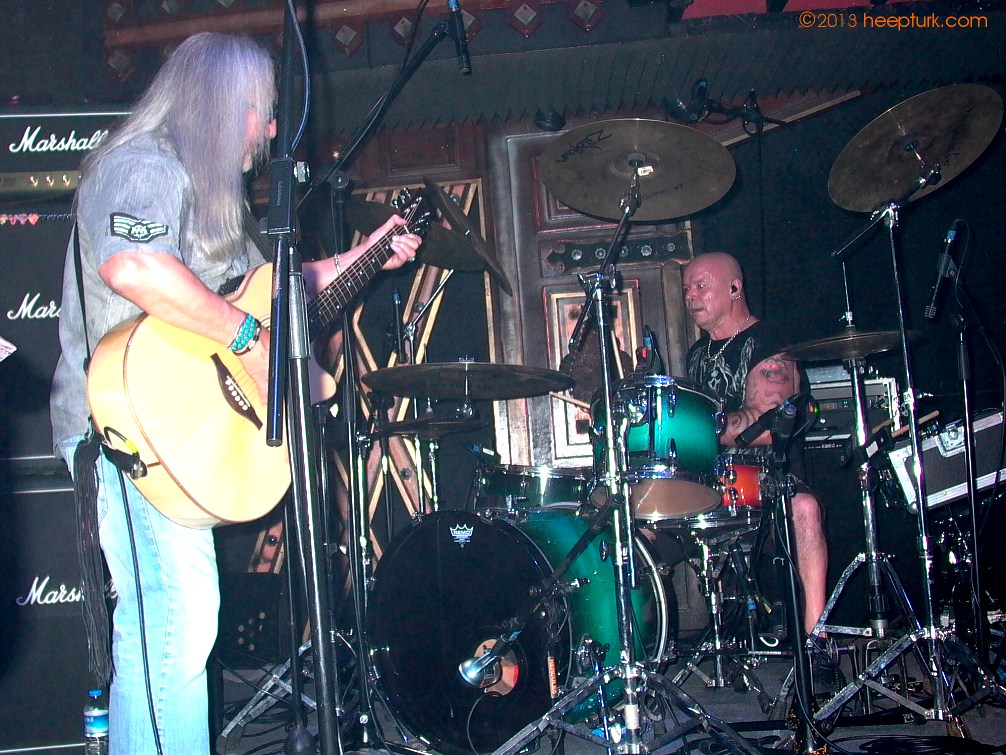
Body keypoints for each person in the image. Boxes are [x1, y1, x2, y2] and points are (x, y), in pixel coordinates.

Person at [49, 33, 422, 755]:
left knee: (171, 624)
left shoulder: (217, 199)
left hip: (176, 424)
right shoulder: (144, 162)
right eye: (264, 110)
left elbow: (273, 293)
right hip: (127, 421)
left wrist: (368, 254)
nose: (273, 130)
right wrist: (248, 338)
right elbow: (136, 266)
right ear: (223, 104)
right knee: (175, 619)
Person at [681, 252, 841, 693]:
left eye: (701, 286)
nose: (691, 296)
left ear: (735, 288)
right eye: (687, 288)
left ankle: (818, 640)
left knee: (805, 509)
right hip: (712, 477)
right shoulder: (697, 355)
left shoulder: (769, 343)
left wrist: (705, 429)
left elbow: (769, 425)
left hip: (768, 475)